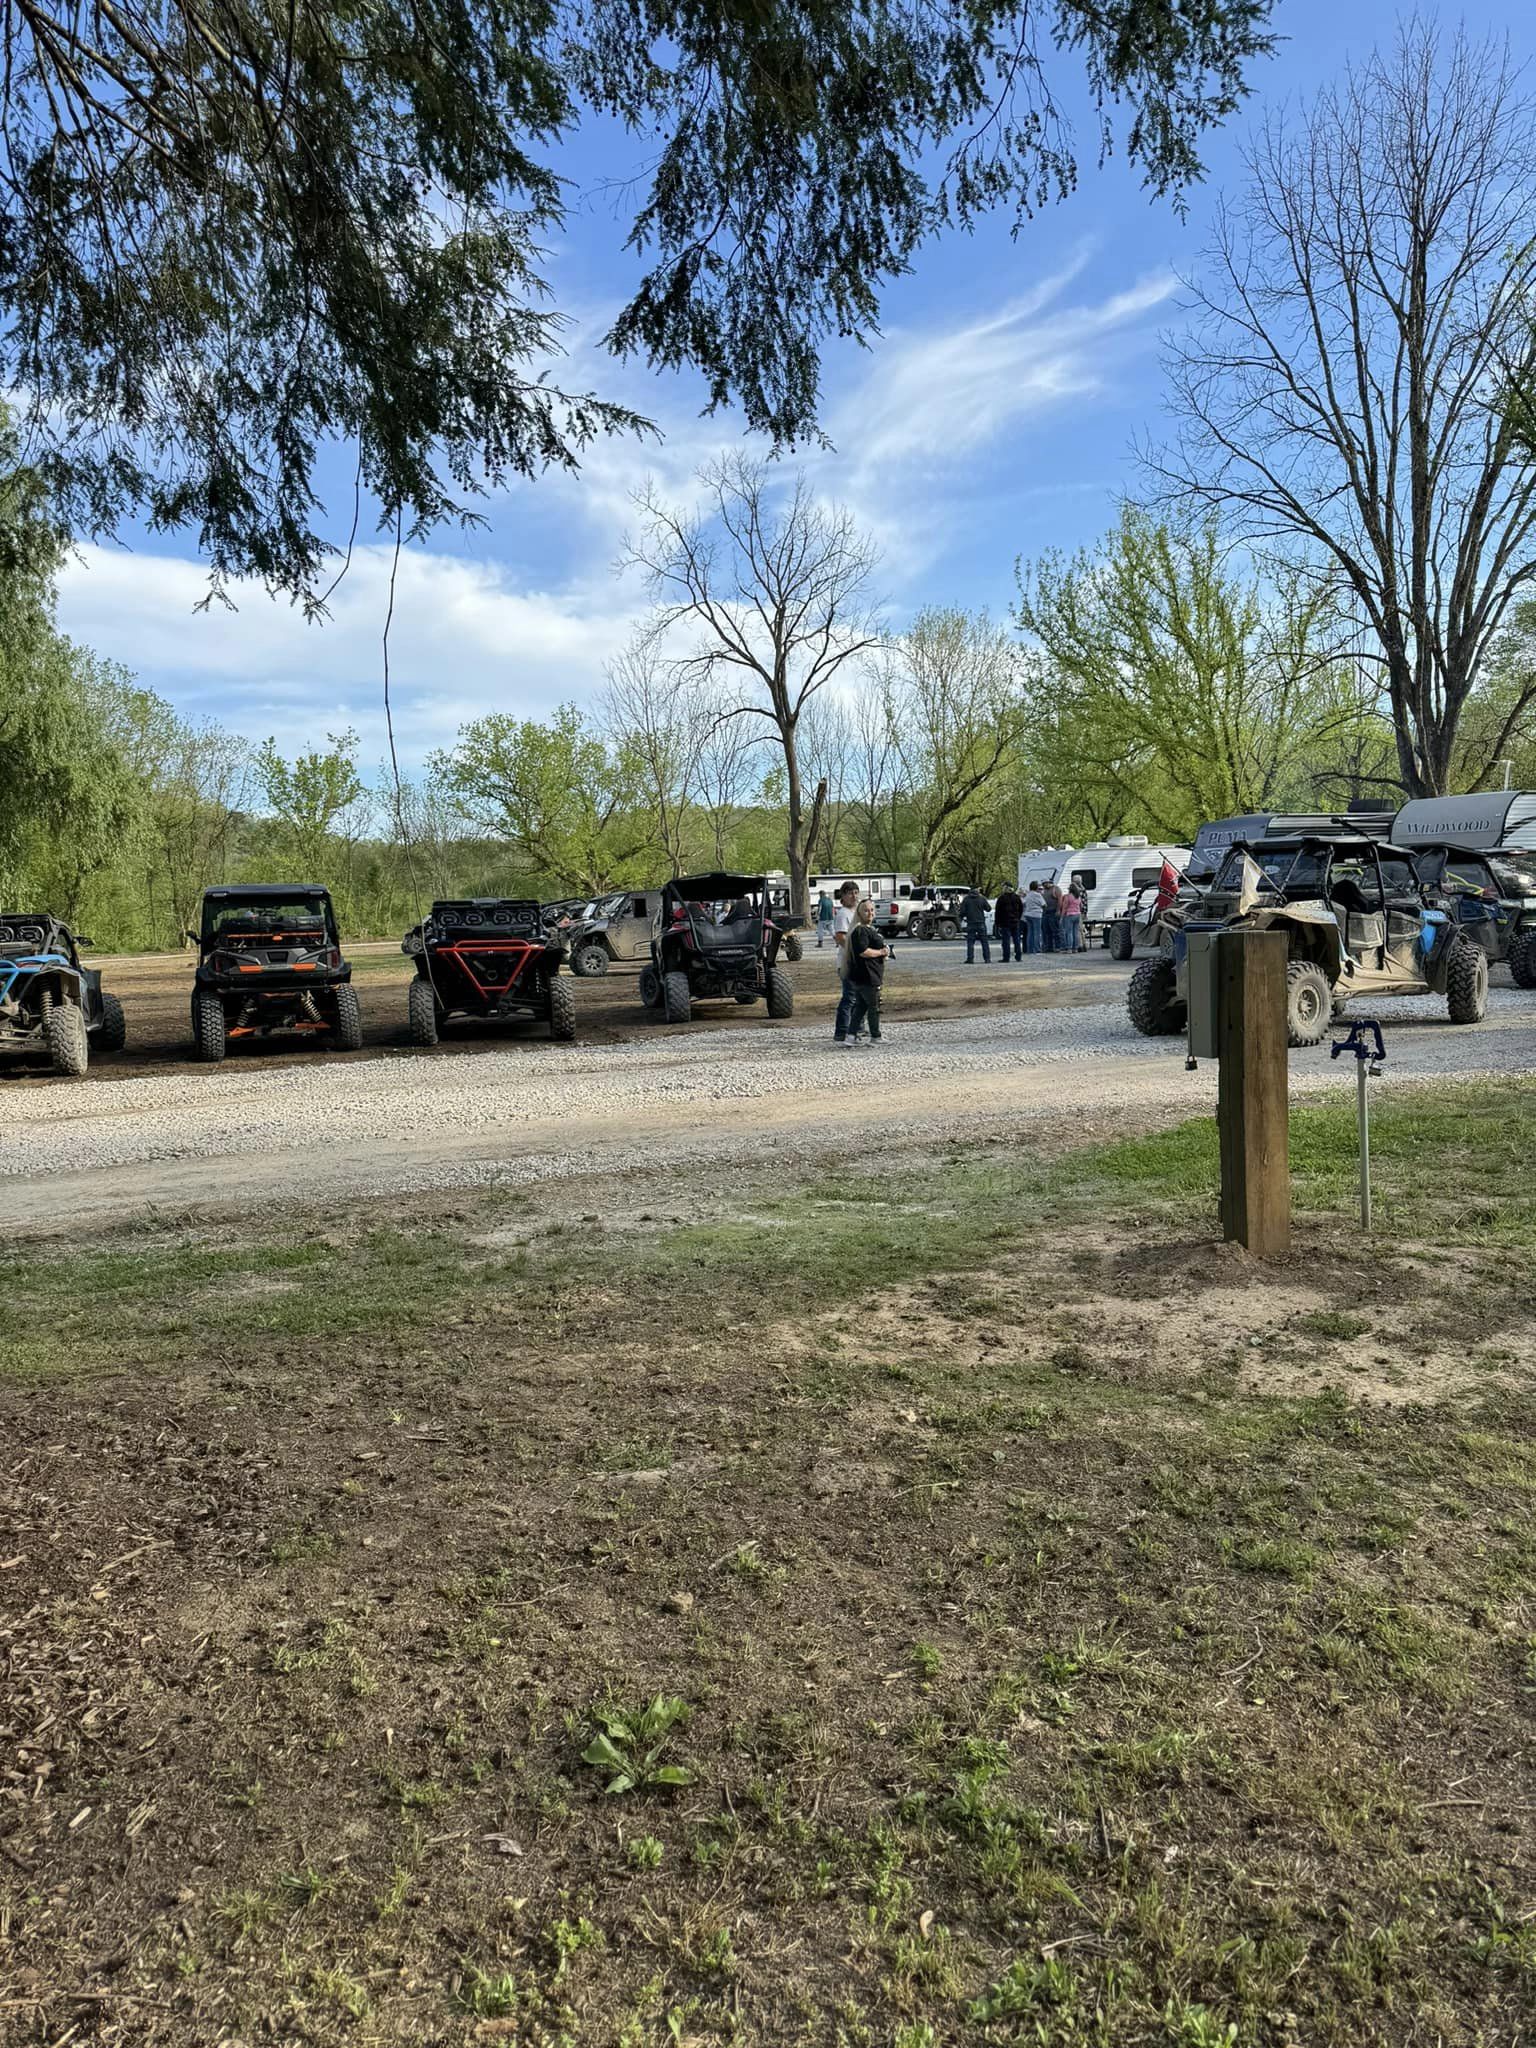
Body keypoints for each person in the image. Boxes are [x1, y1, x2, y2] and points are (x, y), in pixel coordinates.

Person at [844, 898, 888, 1044]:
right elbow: (863, 951)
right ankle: (875, 1036)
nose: (870, 913)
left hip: (863, 976)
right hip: (868, 976)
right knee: (873, 1006)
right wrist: (881, 952)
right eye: (866, 910)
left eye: (872, 910)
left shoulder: (866, 929)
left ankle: (850, 1036)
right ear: (859, 913)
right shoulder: (861, 930)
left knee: (860, 1007)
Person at [831, 881, 863, 1042]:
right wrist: (854, 951)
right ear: (842, 896)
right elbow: (840, 937)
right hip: (847, 962)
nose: (854, 896)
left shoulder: (856, 913)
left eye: (856, 892)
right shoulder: (843, 914)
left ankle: (857, 1029)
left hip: (858, 962)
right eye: (850, 893)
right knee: (849, 997)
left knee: (859, 996)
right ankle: (842, 1031)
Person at [959, 884, 991, 964]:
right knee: (984, 942)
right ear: (977, 889)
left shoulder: (966, 899)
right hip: (981, 923)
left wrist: (963, 917)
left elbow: (962, 912)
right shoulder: (982, 898)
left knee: (970, 942)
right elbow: (988, 909)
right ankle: (987, 959)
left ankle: (970, 959)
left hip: (971, 923)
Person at [993, 881, 1024, 963]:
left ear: (1006, 887)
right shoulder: (1017, 897)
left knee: (1006, 941)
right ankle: (1018, 956)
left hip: (1005, 922)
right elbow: (1021, 909)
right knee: (1016, 940)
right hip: (1015, 921)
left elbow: (998, 912)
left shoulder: (1002, 898)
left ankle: (1006, 958)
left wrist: (997, 923)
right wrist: (1018, 918)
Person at [1022, 881, 1045, 953]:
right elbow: (1044, 904)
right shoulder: (1038, 895)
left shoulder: (1027, 895)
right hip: (1036, 915)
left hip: (1028, 914)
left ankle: (1030, 949)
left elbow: (1024, 903)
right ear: (1036, 887)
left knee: (1030, 932)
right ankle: (1037, 949)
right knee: (1037, 933)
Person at [1059, 884, 1082, 953]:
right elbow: (1081, 906)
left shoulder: (1068, 897)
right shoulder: (1078, 897)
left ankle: (1069, 948)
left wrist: (1062, 917)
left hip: (1069, 915)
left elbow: (1064, 907)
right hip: (1077, 915)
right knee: (1075, 932)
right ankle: (1075, 948)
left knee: (1069, 932)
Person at [1041, 882, 1061, 953]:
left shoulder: (1056, 889)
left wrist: (1058, 910)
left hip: (1053, 912)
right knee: (1046, 931)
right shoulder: (1044, 890)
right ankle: (1049, 947)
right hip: (1045, 912)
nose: (1044, 885)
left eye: (1045, 883)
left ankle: (1058, 946)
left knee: (1055, 930)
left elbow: (1059, 900)